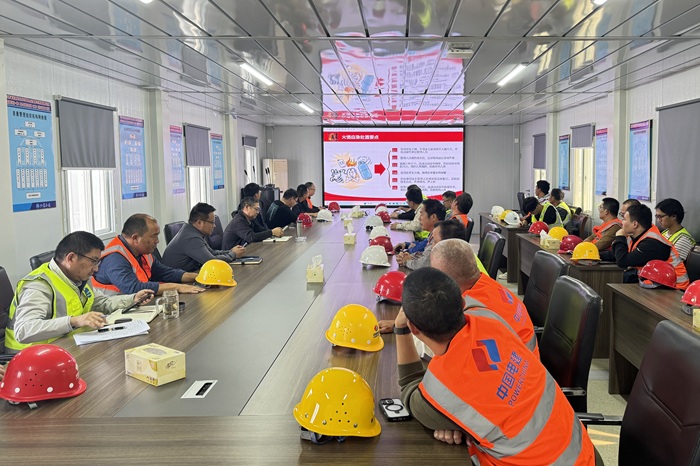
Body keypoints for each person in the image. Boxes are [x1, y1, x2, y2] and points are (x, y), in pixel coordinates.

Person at [394, 268, 596, 464]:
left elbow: (409, 387)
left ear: (414, 328)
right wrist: (455, 423)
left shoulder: (439, 394)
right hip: (584, 452)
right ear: (463, 301)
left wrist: (400, 328)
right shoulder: (489, 316)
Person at [5, 232, 155, 354]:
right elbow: (23, 330)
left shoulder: (78, 277)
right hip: (31, 358)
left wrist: (133, 299)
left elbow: (101, 303)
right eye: (93, 261)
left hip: (69, 346)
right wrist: (74, 321)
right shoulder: (39, 285)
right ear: (71, 258)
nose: (96, 269)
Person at [430, 239, 538, 355]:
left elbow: (449, 352)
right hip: (525, 357)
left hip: (516, 361)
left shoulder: (471, 312)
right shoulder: (486, 283)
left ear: (444, 280)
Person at [92, 214, 204, 295]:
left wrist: (199, 277)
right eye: (154, 236)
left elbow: (164, 273)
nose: (157, 241)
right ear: (135, 238)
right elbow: (134, 288)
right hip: (114, 313)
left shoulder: (142, 252)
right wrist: (177, 287)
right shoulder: (115, 258)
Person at [607, 204, 689, 289]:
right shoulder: (638, 236)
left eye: (624, 219)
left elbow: (622, 261)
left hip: (675, 288)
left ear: (635, 224)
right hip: (657, 284)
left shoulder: (652, 244)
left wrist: (620, 237)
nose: (622, 223)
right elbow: (617, 254)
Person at [162, 203, 245, 272]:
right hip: (177, 282)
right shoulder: (191, 238)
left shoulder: (192, 232)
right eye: (212, 222)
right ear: (199, 223)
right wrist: (233, 254)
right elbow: (210, 261)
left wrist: (231, 251)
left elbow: (212, 252)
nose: (214, 226)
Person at [396, 200, 446, 270]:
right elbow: (424, 252)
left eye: (422, 214)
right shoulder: (434, 233)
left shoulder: (439, 237)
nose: (419, 218)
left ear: (433, 217)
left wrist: (406, 261)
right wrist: (410, 256)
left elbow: (423, 265)